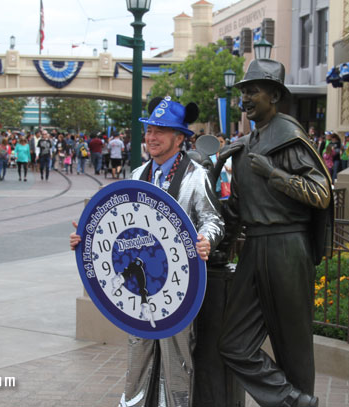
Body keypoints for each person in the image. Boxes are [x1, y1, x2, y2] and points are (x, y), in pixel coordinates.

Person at [70, 98, 224, 407]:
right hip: (140, 287)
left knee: (176, 358)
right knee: (137, 352)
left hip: (177, 286)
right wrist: (87, 237)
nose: (152, 137)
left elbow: (213, 218)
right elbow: (118, 220)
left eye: (161, 131)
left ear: (180, 138)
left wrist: (207, 237)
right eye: (149, 130)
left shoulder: (196, 176)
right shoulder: (138, 172)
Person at [217, 59, 332, 407]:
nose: (245, 98)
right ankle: (293, 401)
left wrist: (274, 174)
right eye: (243, 92)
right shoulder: (243, 145)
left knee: (293, 346)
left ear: (275, 95)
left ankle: (298, 398)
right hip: (254, 248)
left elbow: (320, 193)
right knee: (233, 344)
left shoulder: (289, 137)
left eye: (253, 91)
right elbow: (236, 208)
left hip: (286, 246)